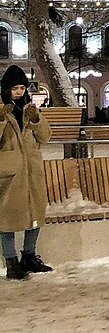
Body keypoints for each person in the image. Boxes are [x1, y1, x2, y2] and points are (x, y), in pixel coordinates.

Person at [0, 65, 54, 280]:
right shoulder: (1, 109)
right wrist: (1, 119)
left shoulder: (30, 109)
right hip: (9, 173)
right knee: (7, 220)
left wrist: (37, 120)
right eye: (15, 88)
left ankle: (29, 256)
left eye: (22, 87)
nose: (19, 92)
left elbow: (45, 137)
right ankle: (11, 262)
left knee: (35, 215)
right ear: (6, 89)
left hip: (32, 171)